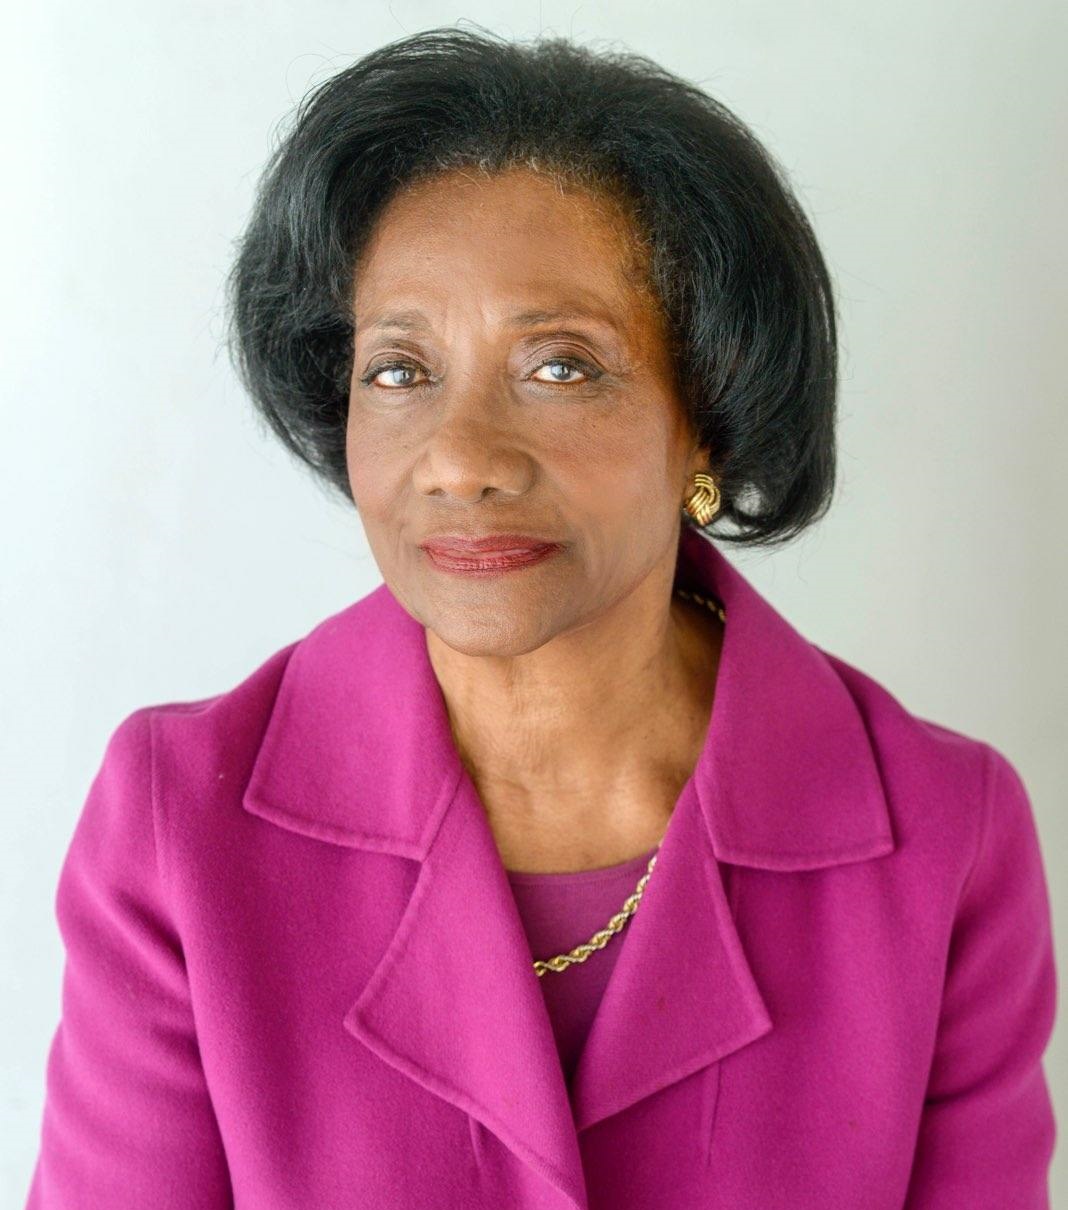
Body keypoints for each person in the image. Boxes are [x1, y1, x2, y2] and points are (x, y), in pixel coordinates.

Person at [25, 25, 1056, 1210]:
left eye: (561, 366)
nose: (460, 459)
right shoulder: (179, 821)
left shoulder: (944, 835)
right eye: (399, 370)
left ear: (707, 416)